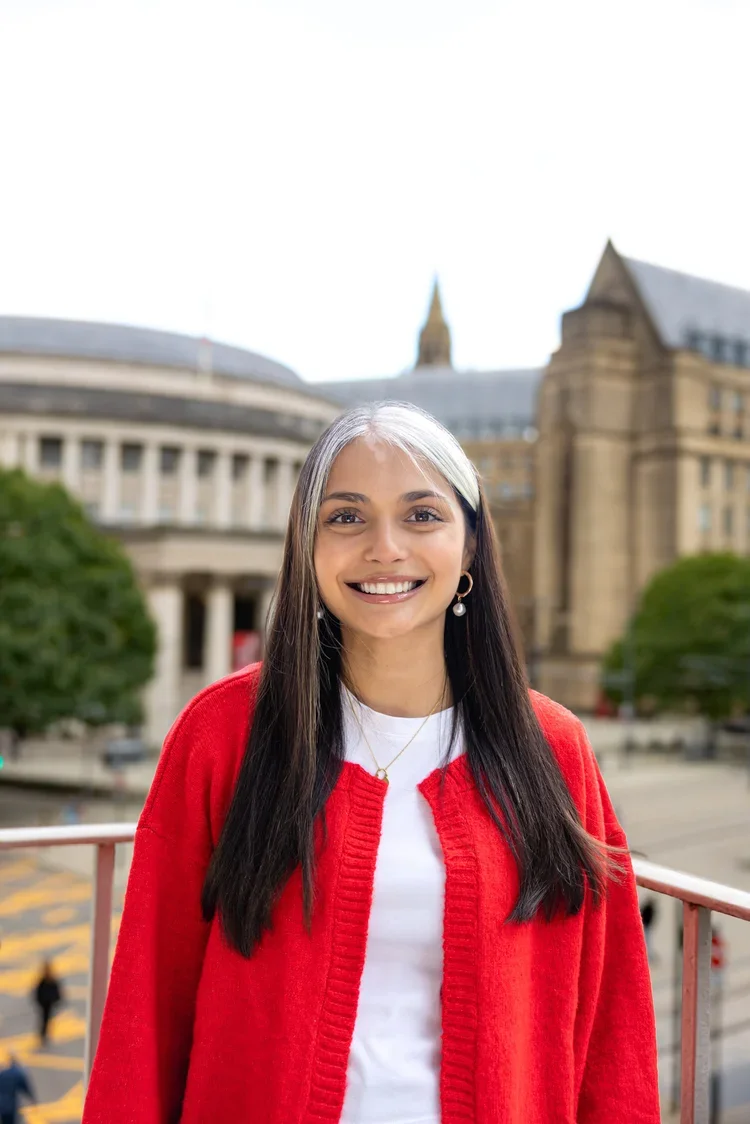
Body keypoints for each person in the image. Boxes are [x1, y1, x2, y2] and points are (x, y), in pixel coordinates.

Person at [83, 403, 660, 1123]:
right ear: (308, 544)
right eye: (347, 517)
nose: (385, 548)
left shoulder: (554, 749)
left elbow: (613, 1032)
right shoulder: (222, 735)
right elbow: (147, 1010)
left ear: (472, 544)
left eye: (421, 516)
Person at [33, 961, 63, 1046]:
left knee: (47, 1020)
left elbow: (57, 992)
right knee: (44, 1020)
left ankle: (45, 1034)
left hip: (49, 1004)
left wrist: (57, 1000)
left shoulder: (51, 981)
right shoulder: (42, 981)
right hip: (44, 1004)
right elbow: (37, 993)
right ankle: (43, 1035)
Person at [0, 1055, 36, 1124]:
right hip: (11, 1105)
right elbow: (26, 1088)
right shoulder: (18, 1074)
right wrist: (32, 1100)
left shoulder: (3, 1073)